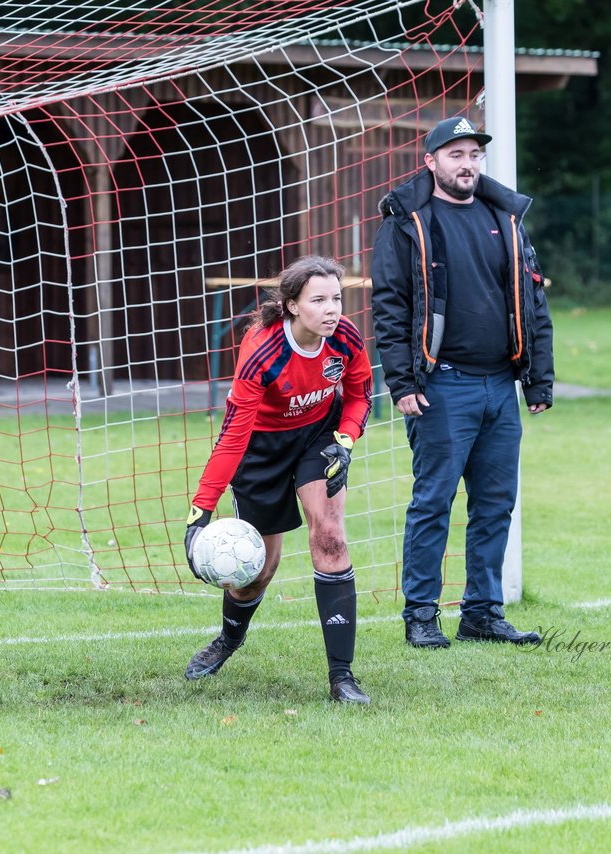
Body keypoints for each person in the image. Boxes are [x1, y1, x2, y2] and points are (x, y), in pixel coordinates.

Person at [370, 116, 553, 649]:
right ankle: (421, 616)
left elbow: (533, 300)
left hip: (502, 386)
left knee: (496, 504)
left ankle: (482, 613)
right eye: (456, 154)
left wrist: (538, 378)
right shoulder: (407, 222)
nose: (467, 163)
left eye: (474, 154)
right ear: (431, 162)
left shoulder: (507, 217)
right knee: (434, 502)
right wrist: (402, 383)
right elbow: (390, 307)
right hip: (441, 387)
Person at [183, 255, 374, 703]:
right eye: (319, 300)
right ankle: (229, 639)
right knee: (258, 571)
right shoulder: (261, 349)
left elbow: (360, 393)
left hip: (316, 440)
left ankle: (342, 677)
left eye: (337, 299)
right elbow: (233, 435)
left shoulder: (345, 337)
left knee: (331, 538)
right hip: (261, 449)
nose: (332, 309)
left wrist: (345, 441)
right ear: (291, 305)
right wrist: (200, 512)